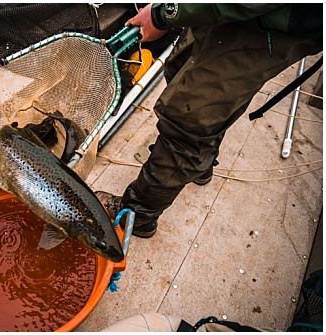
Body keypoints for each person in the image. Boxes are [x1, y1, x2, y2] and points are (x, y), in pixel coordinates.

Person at [96, 3, 322, 238]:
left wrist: (161, 15)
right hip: (221, 13)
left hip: (268, 25)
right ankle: (201, 163)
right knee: (182, 70)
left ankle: (138, 215)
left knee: (189, 119)